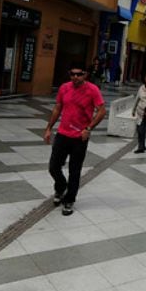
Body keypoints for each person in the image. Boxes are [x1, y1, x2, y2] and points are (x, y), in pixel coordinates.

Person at [44, 61, 106, 216]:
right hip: (62, 134)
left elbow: (102, 111)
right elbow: (58, 108)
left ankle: (69, 200)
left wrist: (89, 128)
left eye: (79, 74)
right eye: (73, 74)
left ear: (85, 74)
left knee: (74, 170)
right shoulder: (64, 88)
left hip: (80, 137)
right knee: (53, 166)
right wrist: (49, 128)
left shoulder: (93, 90)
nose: (76, 77)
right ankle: (61, 187)